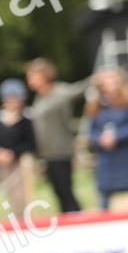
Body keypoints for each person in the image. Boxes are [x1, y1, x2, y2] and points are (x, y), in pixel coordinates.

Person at [25, 57, 88, 213]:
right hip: (48, 153)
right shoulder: (39, 98)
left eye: (33, 76)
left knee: (65, 191)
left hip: (61, 150)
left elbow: (78, 90)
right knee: (58, 192)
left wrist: (96, 79)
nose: (29, 80)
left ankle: (76, 219)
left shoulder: (59, 91)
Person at [86, 66, 128, 210]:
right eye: (106, 82)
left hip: (126, 155)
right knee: (104, 195)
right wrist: (100, 139)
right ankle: (102, 222)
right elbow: (91, 131)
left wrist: (117, 137)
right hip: (106, 158)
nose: (109, 85)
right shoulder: (96, 105)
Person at [0, 78, 37, 213]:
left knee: (23, 195)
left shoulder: (26, 117)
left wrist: (13, 153)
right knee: (10, 194)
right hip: (4, 162)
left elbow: (31, 143)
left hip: (21, 161)